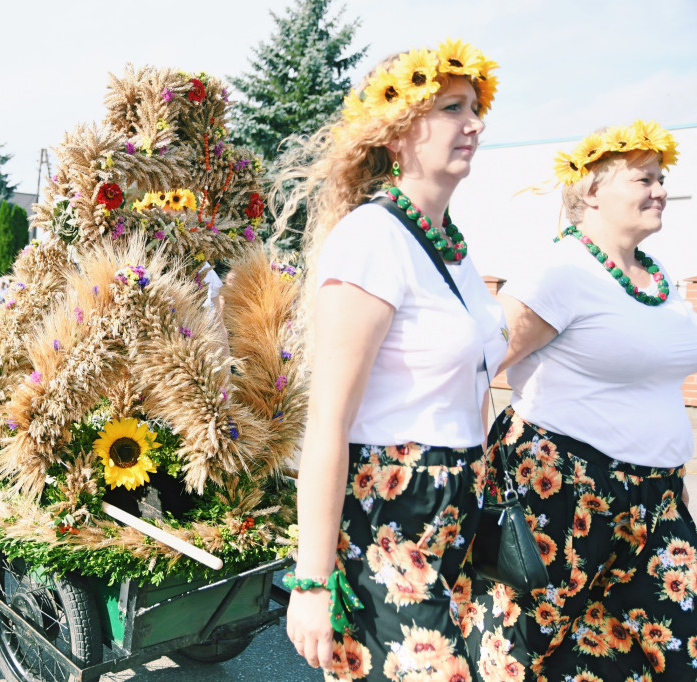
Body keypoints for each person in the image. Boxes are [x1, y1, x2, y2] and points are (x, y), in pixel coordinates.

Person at [278, 40, 506, 679]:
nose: (474, 124)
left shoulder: (452, 250)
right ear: (400, 130)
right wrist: (312, 581)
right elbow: (327, 421)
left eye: (475, 108)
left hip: (461, 511)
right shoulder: (372, 239)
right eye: (453, 108)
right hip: (392, 518)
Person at [464, 122, 697, 680]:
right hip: (562, 497)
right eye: (645, 178)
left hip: (654, 499)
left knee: (674, 654)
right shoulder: (560, 272)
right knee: (533, 655)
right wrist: (472, 475)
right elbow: (474, 369)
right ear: (591, 192)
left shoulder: (658, 275)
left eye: (662, 178)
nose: (661, 189)